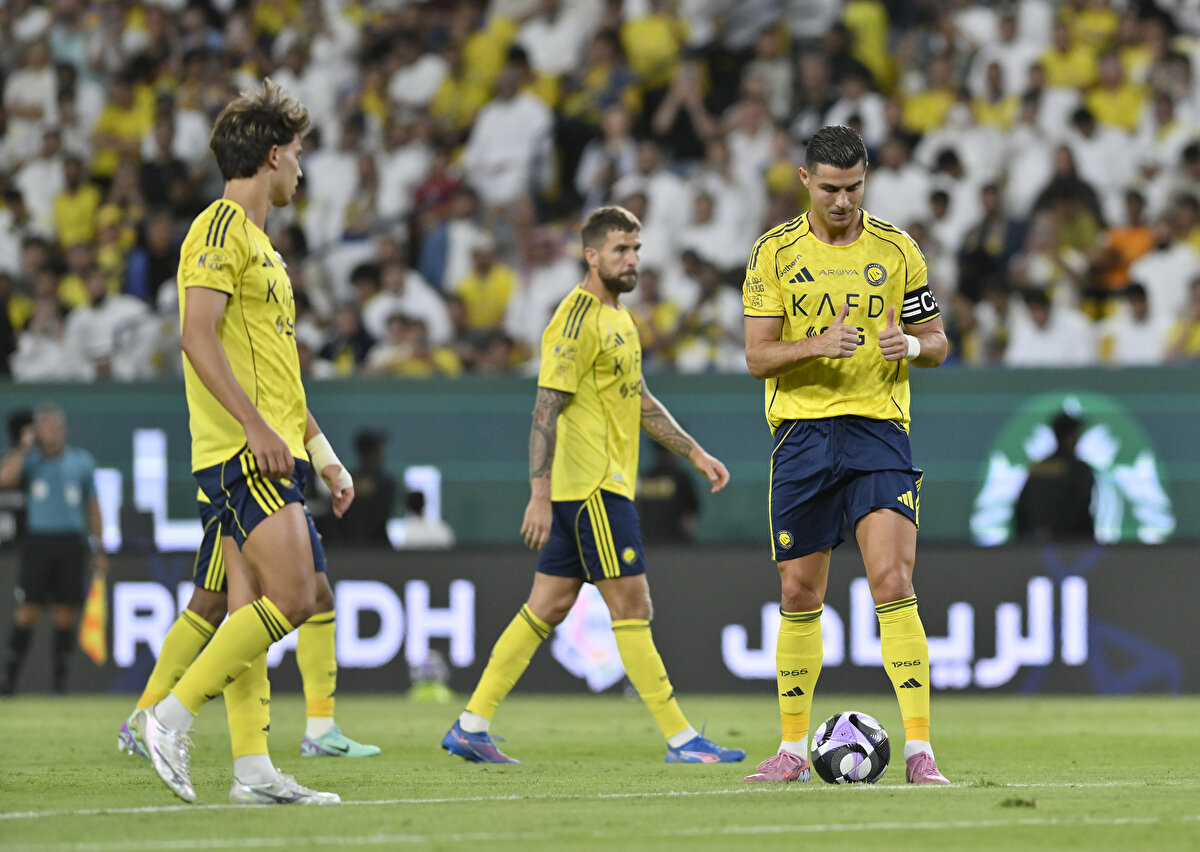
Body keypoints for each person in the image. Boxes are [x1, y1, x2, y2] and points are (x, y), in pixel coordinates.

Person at [441, 206, 744, 765]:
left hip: (595, 490)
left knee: (547, 606)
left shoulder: (621, 319)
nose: (630, 260)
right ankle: (681, 739)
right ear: (592, 255)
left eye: (636, 250)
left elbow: (642, 403)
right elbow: (544, 408)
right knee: (634, 606)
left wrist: (695, 451)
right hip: (592, 491)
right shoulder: (574, 319)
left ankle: (471, 724)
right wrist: (537, 492)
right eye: (620, 251)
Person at [135, 79, 355, 806]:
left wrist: (321, 452)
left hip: (270, 446)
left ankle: (252, 771)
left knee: (250, 605)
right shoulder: (219, 230)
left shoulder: (261, 247)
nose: (301, 167)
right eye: (295, 153)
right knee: (295, 599)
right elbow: (196, 337)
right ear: (270, 156)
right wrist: (258, 429)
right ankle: (165, 718)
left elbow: (281, 374)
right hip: (241, 449)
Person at [741, 125, 951, 785]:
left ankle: (920, 753)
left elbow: (939, 340)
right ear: (805, 180)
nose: (843, 201)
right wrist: (815, 345)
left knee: (893, 581)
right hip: (802, 434)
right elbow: (756, 357)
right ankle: (792, 750)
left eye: (855, 187)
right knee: (800, 592)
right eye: (831, 188)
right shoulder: (773, 253)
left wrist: (910, 349)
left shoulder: (897, 249)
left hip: (878, 429)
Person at [117, 489, 380, 760]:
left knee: (318, 598)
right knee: (212, 607)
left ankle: (320, 728)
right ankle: (148, 719)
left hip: (275, 493)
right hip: (241, 493)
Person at [0, 405, 107, 695]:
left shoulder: (81, 463)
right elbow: (4, 479)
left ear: (65, 431)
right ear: (36, 432)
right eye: (45, 428)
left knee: (65, 614)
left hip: (71, 544)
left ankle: (59, 685)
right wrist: (22, 448)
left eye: (56, 428)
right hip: (38, 543)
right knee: (27, 612)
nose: (52, 434)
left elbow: (93, 507)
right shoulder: (30, 462)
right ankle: (9, 682)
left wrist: (99, 546)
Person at [1015, 412, 1096, 543]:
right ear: (1071, 436)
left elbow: (1022, 509)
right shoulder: (1079, 469)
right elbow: (1082, 508)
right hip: (1071, 546)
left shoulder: (1038, 467)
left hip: (1036, 545)